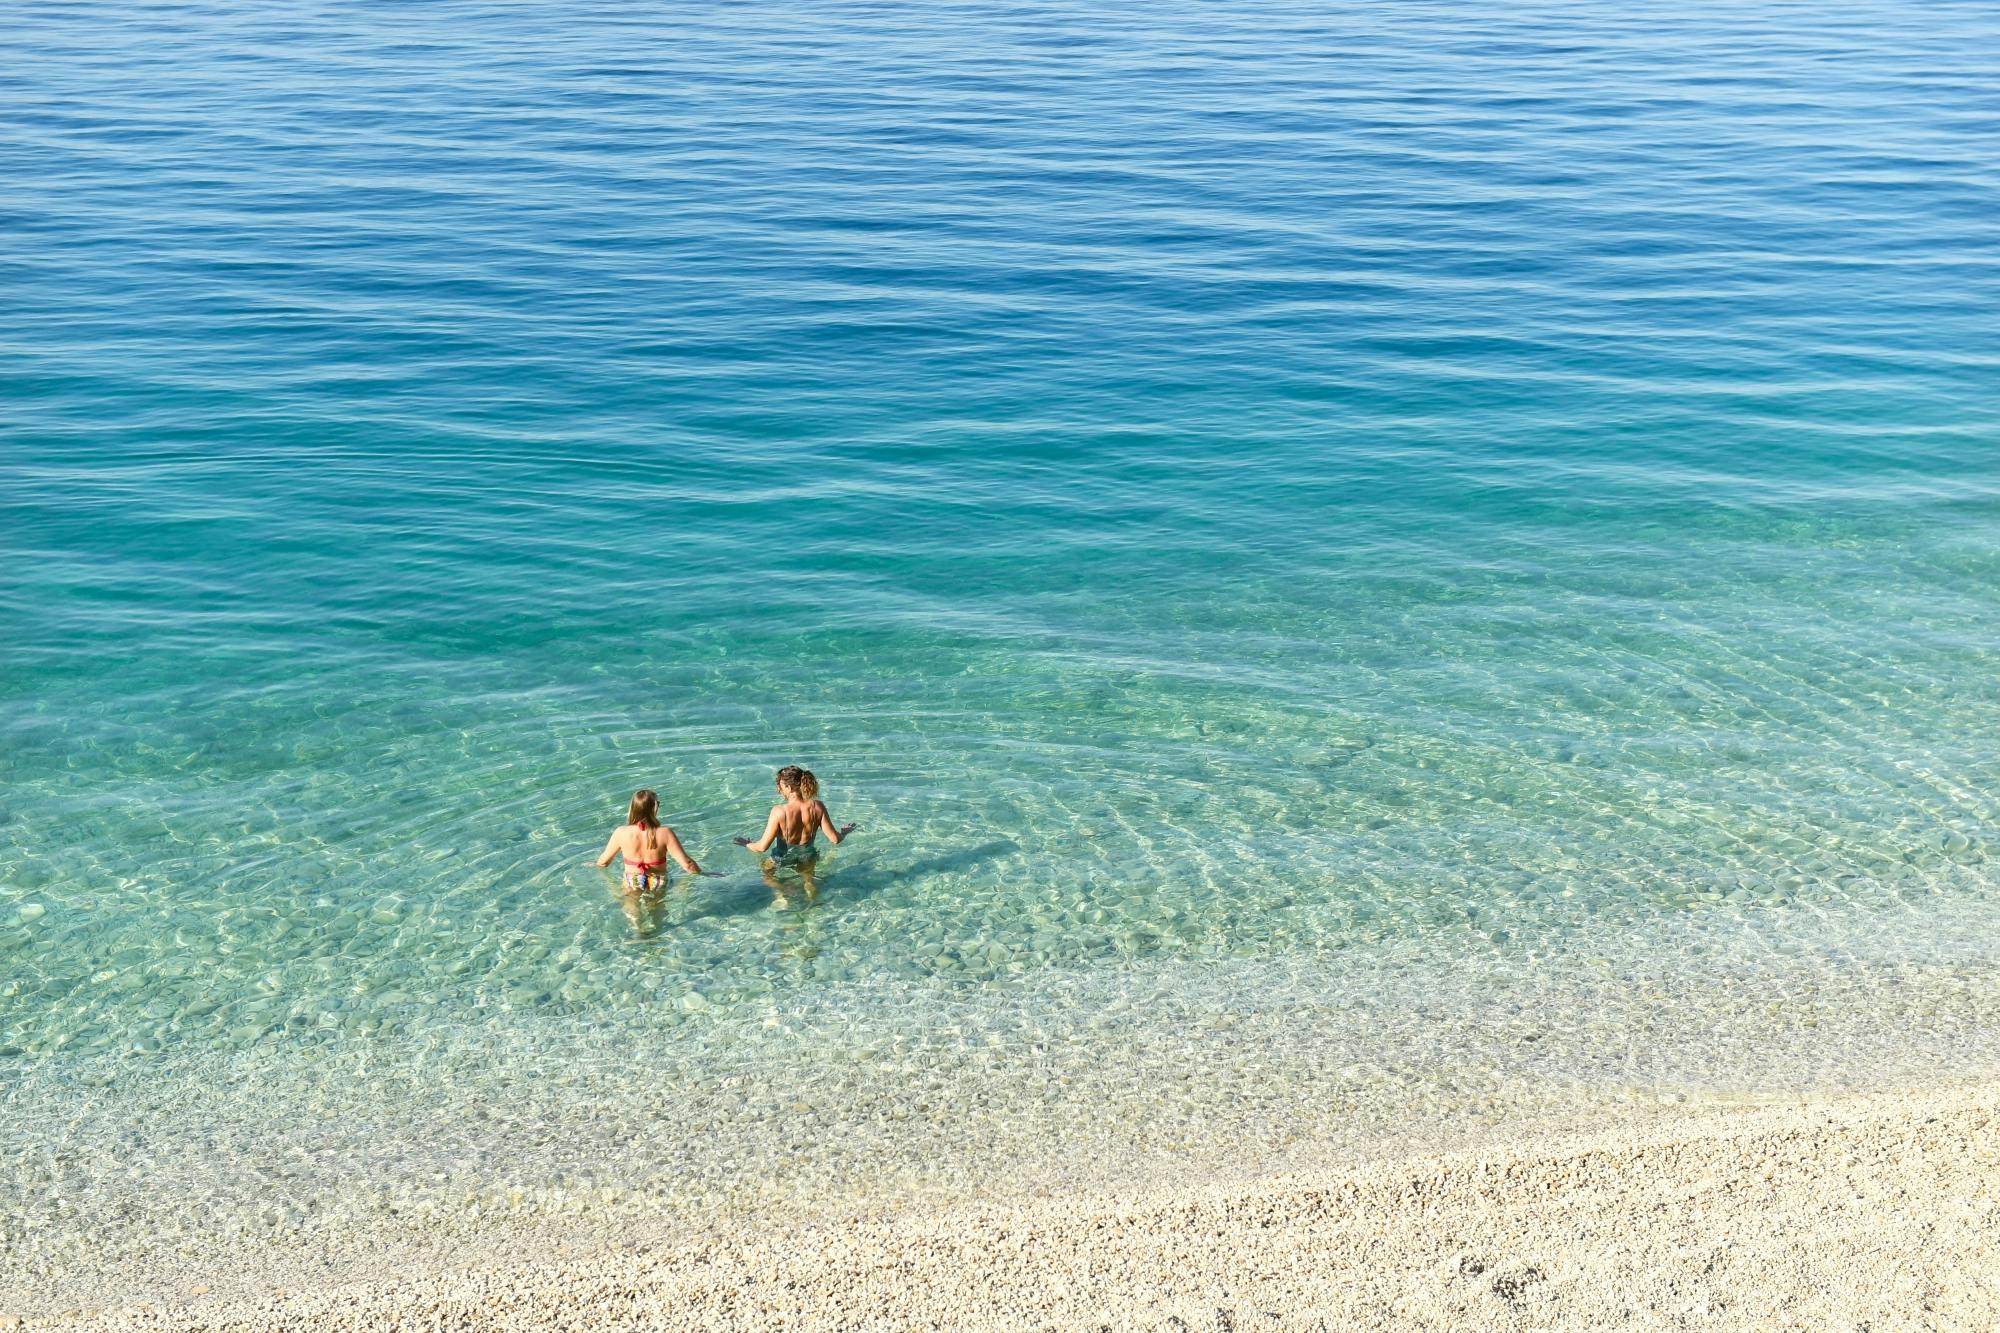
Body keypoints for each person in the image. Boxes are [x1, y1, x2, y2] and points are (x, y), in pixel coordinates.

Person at [734, 766, 855, 906]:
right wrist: (844, 832)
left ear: (789, 787)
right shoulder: (817, 807)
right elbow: (835, 839)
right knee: (809, 881)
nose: (778, 790)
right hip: (807, 856)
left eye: (780, 786)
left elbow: (761, 847)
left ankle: (783, 893)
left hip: (781, 857)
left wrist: (746, 844)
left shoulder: (779, 811)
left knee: (767, 877)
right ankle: (813, 904)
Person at [595, 788, 704, 892]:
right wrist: (704, 874)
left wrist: (592, 864)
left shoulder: (621, 832)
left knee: (631, 904)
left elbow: (603, 862)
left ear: (633, 808)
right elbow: (688, 864)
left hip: (632, 880)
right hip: (658, 880)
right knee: (658, 905)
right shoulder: (665, 833)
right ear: (654, 808)